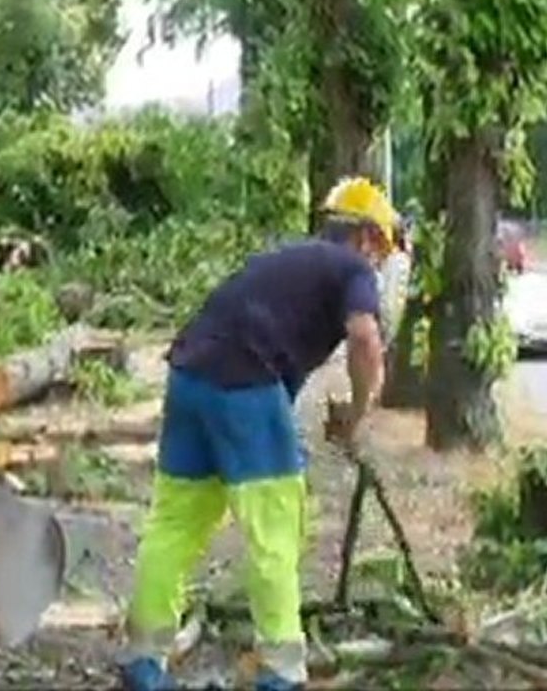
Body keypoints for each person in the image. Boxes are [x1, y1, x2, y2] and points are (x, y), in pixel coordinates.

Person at [118, 176, 397, 691]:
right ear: (365, 237)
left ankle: (143, 658)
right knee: (274, 526)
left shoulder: (289, 259)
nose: (380, 259)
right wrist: (359, 415)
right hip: (245, 381)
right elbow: (365, 339)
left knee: (175, 523)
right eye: (381, 245)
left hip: (188, 374)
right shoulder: (355, 269)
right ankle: (281, 670)